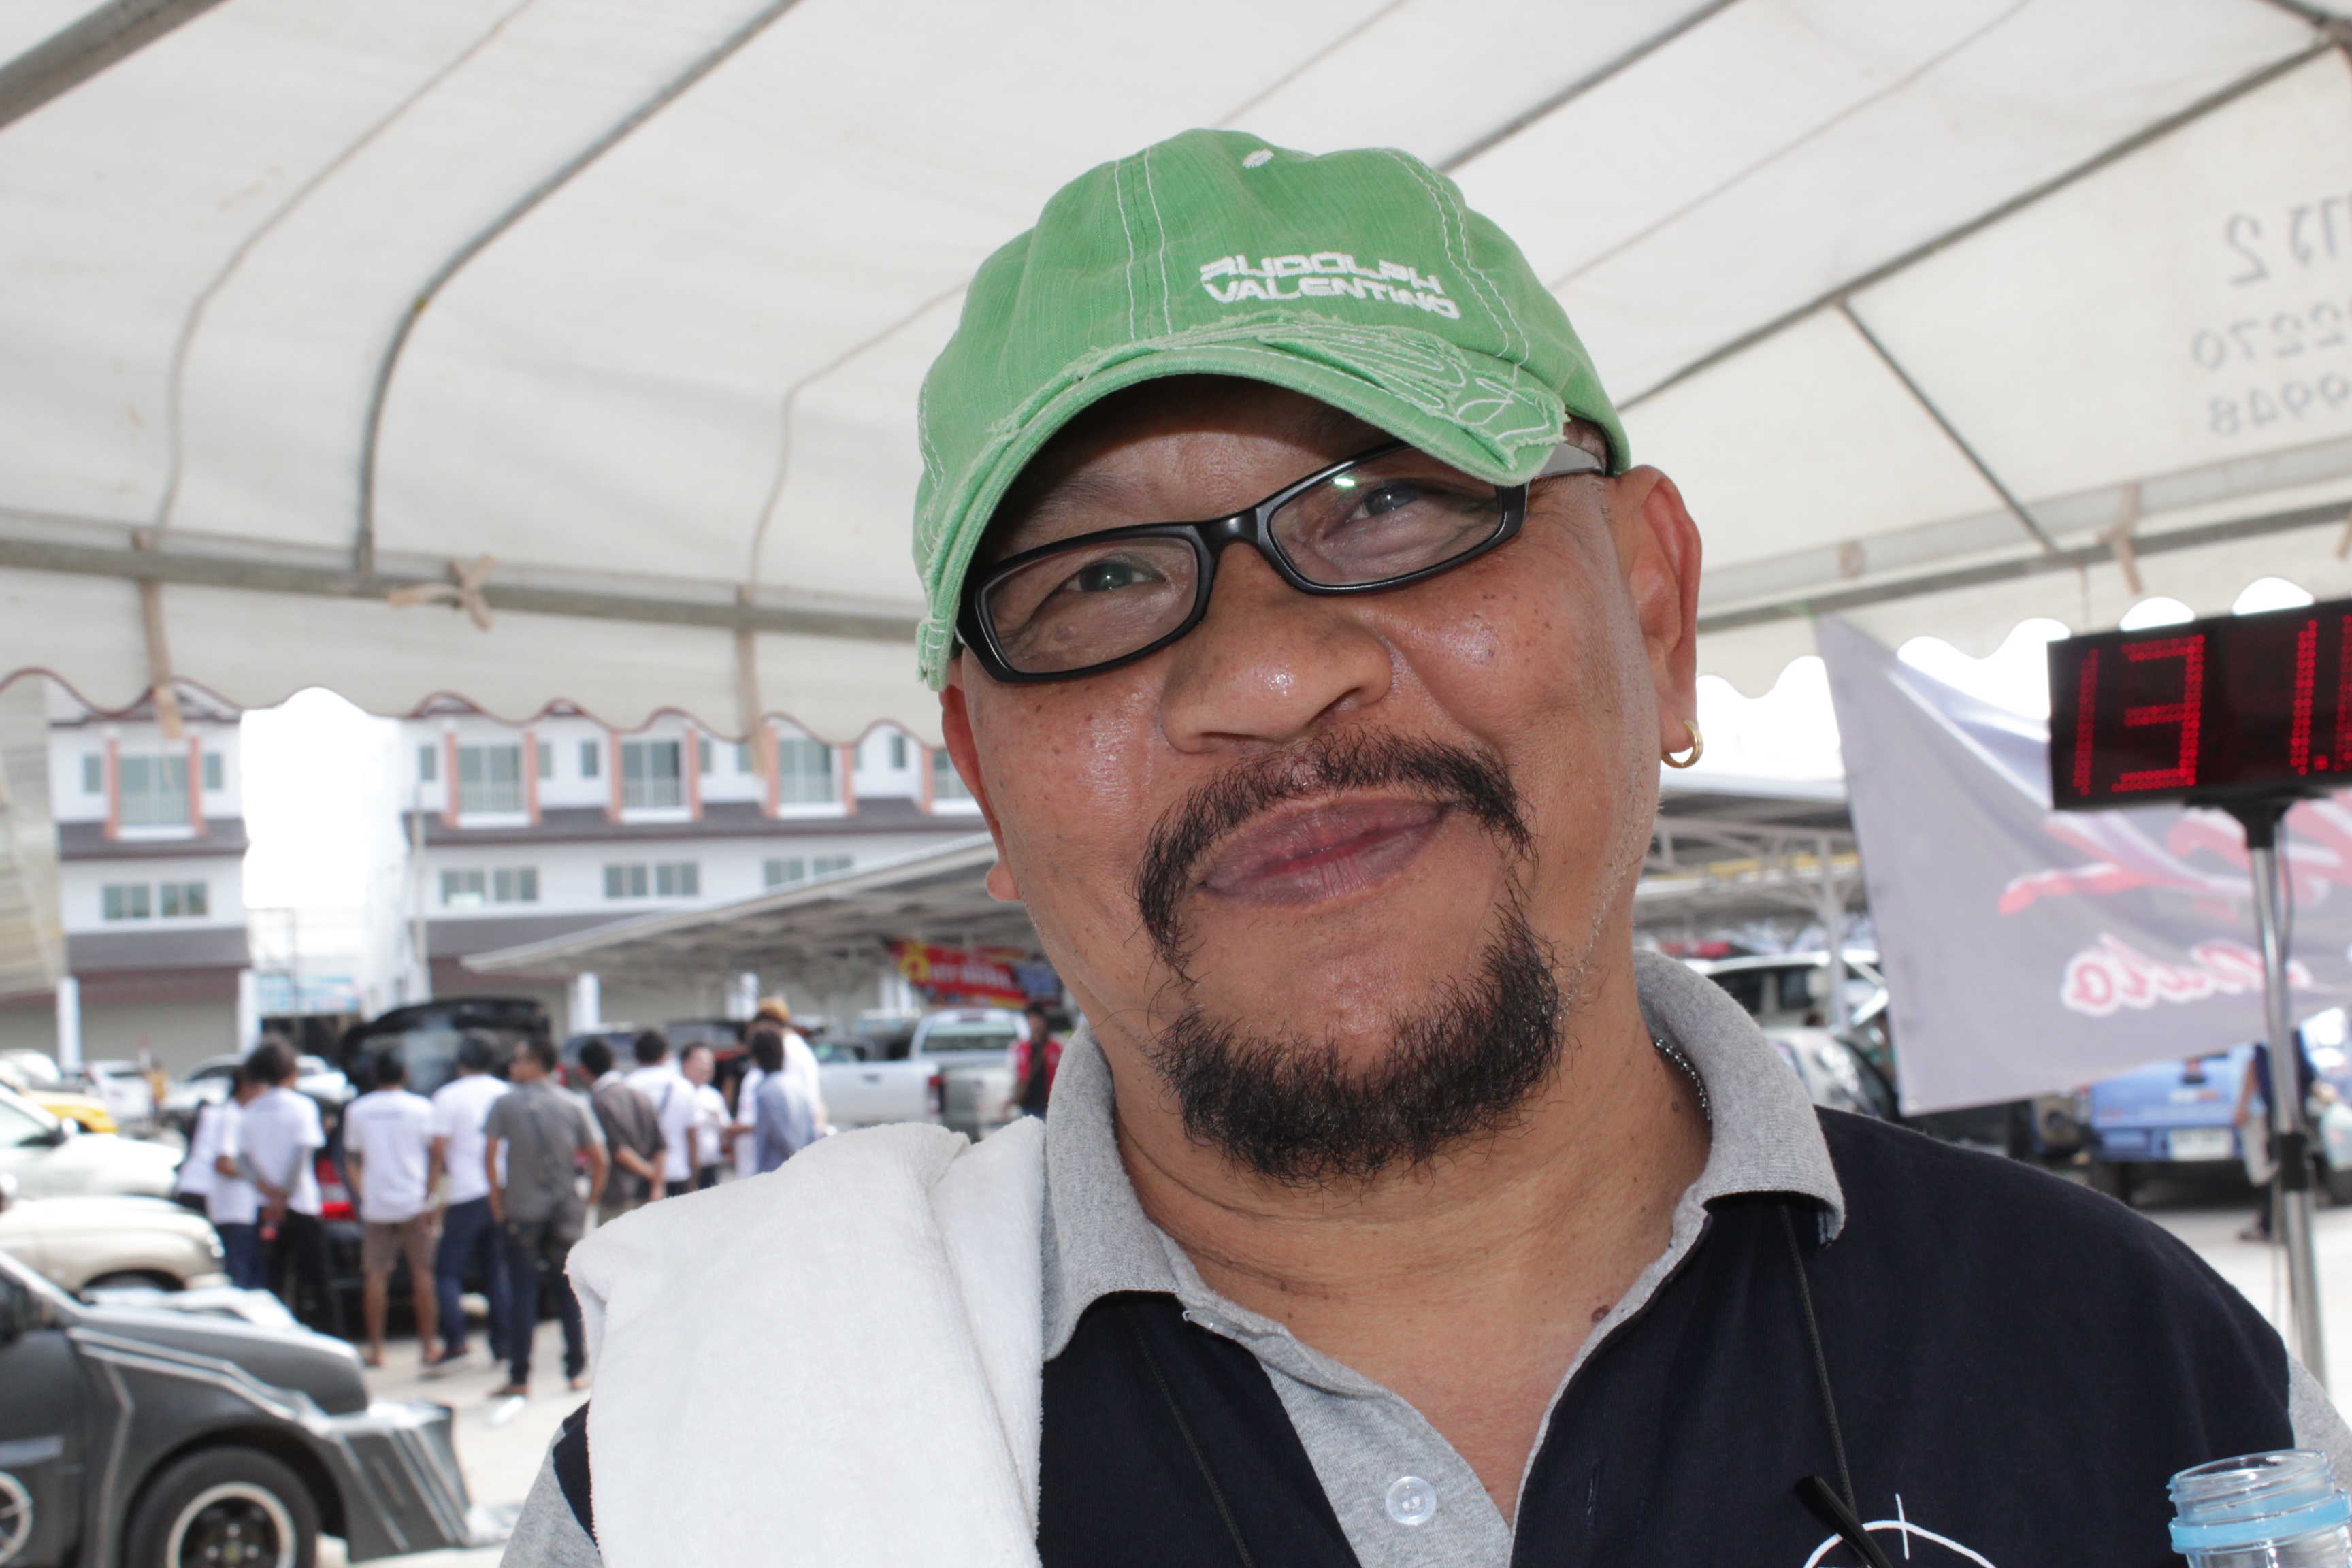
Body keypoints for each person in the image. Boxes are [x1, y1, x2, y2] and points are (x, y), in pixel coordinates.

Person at [512, 131, 2351, 1568]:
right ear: (989, 781)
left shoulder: (2140, 1372)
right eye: (1098, 580)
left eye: (1391, 502)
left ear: (1654, 608)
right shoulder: (702, 1476)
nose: (1264, 671)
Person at [484, 1035, 606, 1398]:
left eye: (519, 1059)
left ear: (536, 1063)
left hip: (522, 1210)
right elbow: (600, 1160)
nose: (513, 1067)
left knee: (522, 1293)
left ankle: (520, 1377)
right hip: (566, 1211)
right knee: (568, 1292)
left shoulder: (505, 1104)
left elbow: (489, 1155)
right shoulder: (574, 1103)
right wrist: (589, 1201)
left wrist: (497, 1202)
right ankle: (576, 1370)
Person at [343, 1050, 441, 1369]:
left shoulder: (358, 1110)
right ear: (405, 1074)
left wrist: (363, 1194)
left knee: (375, 1276)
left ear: (375, 1076)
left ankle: (376, 1350)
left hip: (377, 1205)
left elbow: (352, 1159)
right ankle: (428, 1347)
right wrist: (430, 1194)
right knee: (422, 1273)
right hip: (415, 1201)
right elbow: (436, 1155)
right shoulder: (422, 1108)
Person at [233, 1040, 336, 1334]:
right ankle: (330, 1336)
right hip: (301, 1203)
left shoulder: (251, 1111)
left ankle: (278, 1338)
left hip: (265, 1208)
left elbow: (243, 1160)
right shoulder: (302, 1106)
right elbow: (302, 1154)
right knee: (318, 1280)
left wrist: (267, 1191)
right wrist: (285, 1194)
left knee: (274, 1281)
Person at [429, 1032, 511, 1369]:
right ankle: (503, 1344)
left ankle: (456, 1340)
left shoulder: (447, 1096)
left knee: (447, 1271)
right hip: (501, 1190)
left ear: (460, 1063)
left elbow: (439, 1151)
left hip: (463, 1193)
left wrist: (432, 1196)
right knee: (497, 1270)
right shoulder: (505, 1092)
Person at [581, 1036, 665, 1220]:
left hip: (617, 1196)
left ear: (584, 1070)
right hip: (647, 1193)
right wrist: (657, 1182)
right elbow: (660, 1145)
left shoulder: (599, 1101)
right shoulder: (640, 1095)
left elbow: (618, 1151)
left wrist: (650, 1173)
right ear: (613, 1062)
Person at [203, 1066, 265, 1289]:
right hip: (234, 1208)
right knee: (239, 1273)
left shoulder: (235, 1113)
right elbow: (225, 1163)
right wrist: (259, 1180)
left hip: (235, 1207)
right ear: (246, 1087)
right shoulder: (233, 1116)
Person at [623, 1030, 695, 1199]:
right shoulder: (683, 1086)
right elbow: (692, 1136)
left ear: (636, 1055)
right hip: (676, 1171)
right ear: (665, 1054)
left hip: (638, 1172)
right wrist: (694, 1175)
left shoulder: (627, 1087)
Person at [747, 1029, 815, 1174]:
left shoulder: (766, 1091)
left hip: (776, 1169)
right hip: (802, 1166)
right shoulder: (797, 1086)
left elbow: (781, 1135)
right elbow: (811, 1128)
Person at [681, 1043, 728, 1192]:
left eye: (710, 1062)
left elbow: (725, 1129)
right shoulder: (678, 1092)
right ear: (685, 1064)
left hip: (711, 1166)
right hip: (684, 1168)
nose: (707, 1067)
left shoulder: (714, 1095)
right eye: (701, 1061)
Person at [1008, 1003, 1062, 1120]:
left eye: (1037, 1020)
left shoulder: (1056, 1046)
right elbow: (1016, 1074)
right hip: (1028, 1103)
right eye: (1031, 1020)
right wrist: (1011, 1096)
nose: (1034, 1024)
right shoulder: (1021, 1047)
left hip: (1051, 1103)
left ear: (1044, 1021)